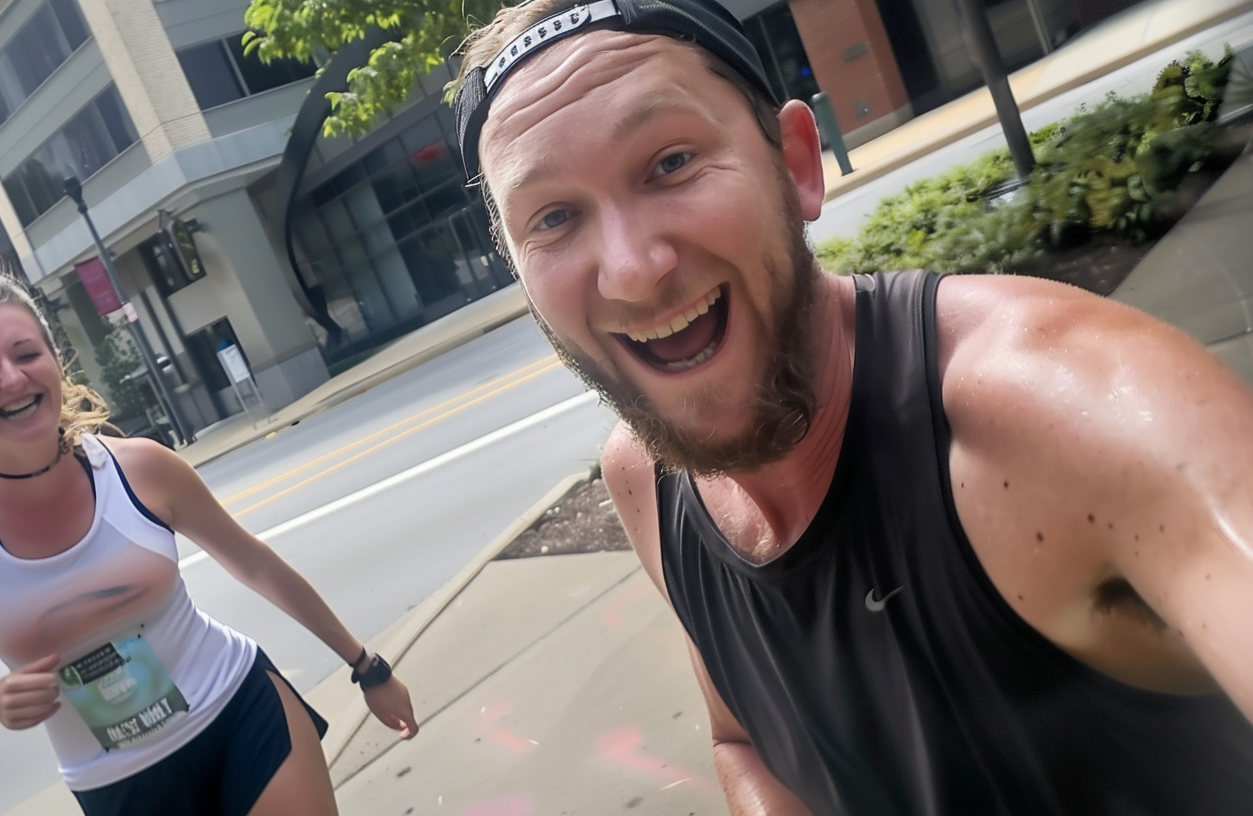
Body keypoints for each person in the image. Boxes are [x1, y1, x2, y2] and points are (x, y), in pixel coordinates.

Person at [452, 0, 1253, 813]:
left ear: (797, 162)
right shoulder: (646, 481)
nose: (631, 270)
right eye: (553, 217)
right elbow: (744, 740)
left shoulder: (1054, 407)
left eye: (671, 163)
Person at [0, 273, 418, 816]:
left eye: (26, 354)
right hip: (119, 784)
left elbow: (255, 564)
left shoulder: (139, 467)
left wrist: (366, 667)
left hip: (239, 710)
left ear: (55, 360)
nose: (12, 378)